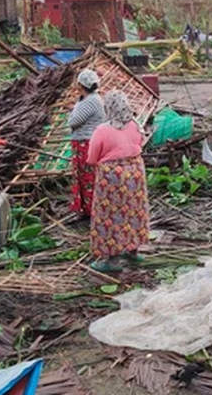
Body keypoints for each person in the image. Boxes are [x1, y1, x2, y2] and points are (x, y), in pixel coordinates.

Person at [86, 91, 150, 272]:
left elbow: (92, 158)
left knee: (111, 215)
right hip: (136, 172)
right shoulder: (135, 125)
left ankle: (111, 260)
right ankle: (133, 251)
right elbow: (140, 143)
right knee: (134, 211)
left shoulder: (103, 130)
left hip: (112, 177)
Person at [67, 69, 105, 219]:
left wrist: (71, 114)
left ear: (81, 85)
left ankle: (91, 210)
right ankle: (85, 208)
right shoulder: (89, 99)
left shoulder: (90, 101)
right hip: (84, 142)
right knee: (84, 176)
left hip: (86, 143)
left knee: (88, 177)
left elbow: (73, 122)